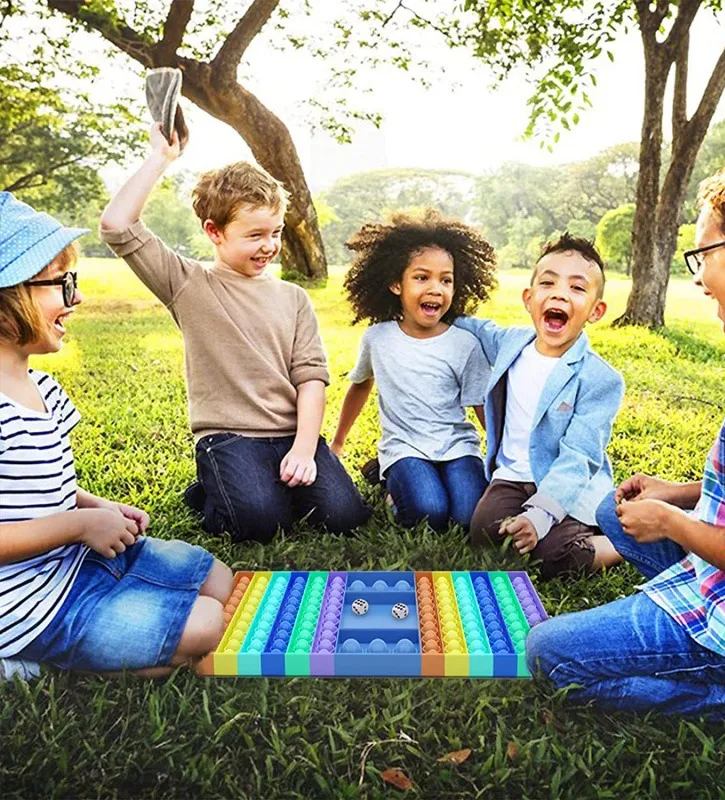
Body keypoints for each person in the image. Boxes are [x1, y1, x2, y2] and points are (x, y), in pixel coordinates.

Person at [527, 144, 725, 722]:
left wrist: (670, 522)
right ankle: (671, 608)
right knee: (611, 512)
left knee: (549, 653)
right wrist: (677, 494)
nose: (699, 280)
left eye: (702, 257)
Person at [99, 123, 371, 544]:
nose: (269, 246)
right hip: (229, 438)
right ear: (214, 232)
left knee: (344, 516)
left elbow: (311, 379)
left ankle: (266, 484)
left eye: (276, 232)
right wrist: (161, 158)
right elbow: (117, 226)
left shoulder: (294, 297)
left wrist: (303, 448)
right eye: (255, 235)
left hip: (290, 434)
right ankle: (213, 488)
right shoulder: (187, 283)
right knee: (260, 525)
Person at [0, 192, 232, 676]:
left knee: (219, 580)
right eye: (61, 285)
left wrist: (94, 508)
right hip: (28, 606)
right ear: (9, 298)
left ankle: (107, 642)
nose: (77, 297)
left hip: (76, 562)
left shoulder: (41, 387)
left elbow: (42, 488)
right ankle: (27, 658)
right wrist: (80, 526)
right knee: (206, 626)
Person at [457, 233, 624, 579]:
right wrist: (431, 309)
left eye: (577, 288)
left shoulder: (600, 379)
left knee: (550, 556)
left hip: (567, 484)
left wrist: (539, 515)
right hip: (512, 477)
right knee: (485, 534)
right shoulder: (510, 343)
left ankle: (616, 542)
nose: (560, 293)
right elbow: (472, 326)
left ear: (596, 311)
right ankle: (545, 529)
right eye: (548, 283)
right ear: (529, 299)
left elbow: (579, 457)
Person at [331, 211, 495, 531]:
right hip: (405, 447)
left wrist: (506, 457)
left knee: (466, 518)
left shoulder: (465, 344)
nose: (436, 288)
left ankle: (392, 475)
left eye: (445, 280)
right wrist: (338, 442)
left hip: (458, 447)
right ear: (396, 284)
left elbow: (480, 405)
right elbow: (361, 385)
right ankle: (393, 484)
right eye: (422, 278)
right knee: (428, 513)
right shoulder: (378, 338)